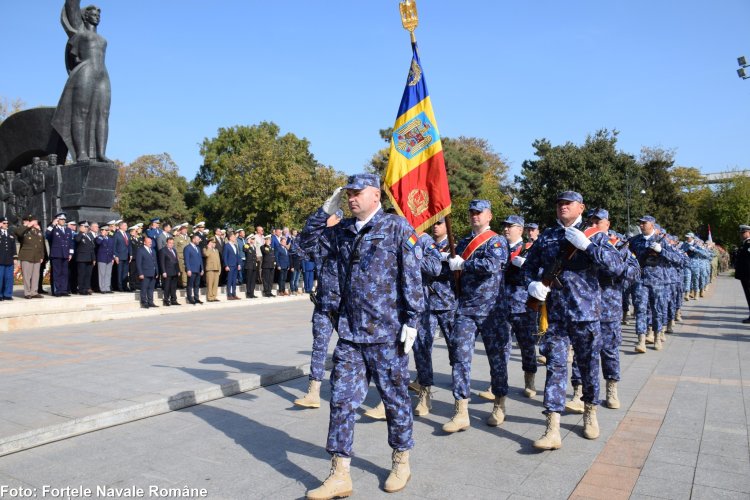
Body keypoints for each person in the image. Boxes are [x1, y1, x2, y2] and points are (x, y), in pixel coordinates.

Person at [300, 174, 424, 498]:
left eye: (357, 193)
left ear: (375, 195)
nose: (351, 198)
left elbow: (412, 274)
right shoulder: (341, 232)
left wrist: (412, 320)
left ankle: (401, 460)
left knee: (395, 401)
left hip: (387, 336)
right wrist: (321, 212)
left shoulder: (396, 227)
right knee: (341, 402)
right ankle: (340, 473)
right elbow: (305, 244)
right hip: (352, 336)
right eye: (348, 194)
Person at [523, 192, 623, 450]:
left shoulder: (595, 236)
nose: (563, 206)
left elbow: (616, 267)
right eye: (559, 203)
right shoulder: (547, 236)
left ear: (581, 207)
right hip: (556, 316)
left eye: (569, 203)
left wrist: (588, 247)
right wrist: (531, 284)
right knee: (556, 367)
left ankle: (590, 410)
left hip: (586, 315)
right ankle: (552, 427)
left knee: (589, 366)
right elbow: (528, 267)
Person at [440, 200, 510, 433]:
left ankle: (499, 403)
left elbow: (494, 264)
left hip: (492, 311)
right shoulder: (461, 242)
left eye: (479, 213)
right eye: (471, 213)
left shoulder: (497, 240)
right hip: (466, 309)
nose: (474, 216)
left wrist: (464, 263)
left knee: (496, 358)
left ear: (489, 215)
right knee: (460, 356)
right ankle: (461, 411)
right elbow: (453, 268)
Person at [566, 212, 640, 413]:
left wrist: (616, 277)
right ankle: (578, 392)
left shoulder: (619, 244)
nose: (594, 224)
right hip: (584, 306)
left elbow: (634, 271)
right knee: (583, 350)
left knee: (609, 349)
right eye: (591, 221)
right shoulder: (577, 240)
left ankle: (611, 388)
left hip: (609, 306)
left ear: (608, 223)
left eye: (598, 221)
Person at [52, 0, 111, 163]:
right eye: (93, 13)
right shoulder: (80, 31)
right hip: (85, 71)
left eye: (99, 14)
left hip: (102, 74)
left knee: (103, 114)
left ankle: (100, 153)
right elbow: (71, 5)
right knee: (81, 113)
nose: (97, 16)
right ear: (85, 16)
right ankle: (82, 153)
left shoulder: (101, 38)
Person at [294, 212, 343, 409]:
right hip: (323, 304)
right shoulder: (319, 241)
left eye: (332, 219)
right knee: (319, 347)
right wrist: (319, 227)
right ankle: (313, 391)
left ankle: (346, 387)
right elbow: (298, 246)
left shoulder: (346, 239)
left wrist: (331, 230)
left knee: (350, 348)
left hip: (344, 306)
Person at [629, 216, 682, 352]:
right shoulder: (634, 241)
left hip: (658, 281)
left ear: (652, 224)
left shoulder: (662, 241)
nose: (641, 225)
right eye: (640, 223)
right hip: (640, 280)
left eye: (644, 223)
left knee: (657, 310)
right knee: (640, 309)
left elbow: (679, 260)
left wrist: (661, 251)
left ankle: (657, 337)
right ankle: (641, 340)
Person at [502, 215, 539, 398]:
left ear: (521, 229)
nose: (506, 229)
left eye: (511, 226)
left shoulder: (530, 249)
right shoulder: (499, 247)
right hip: (502, 305)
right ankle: (499, 381)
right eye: (505, 226)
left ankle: (529, 380)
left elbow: (540, 273)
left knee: (526, 344)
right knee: (501, 345)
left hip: (523, 305)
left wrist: (526, 265)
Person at [15, 214, 45, 299]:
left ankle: (34, 292)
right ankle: (27, 293)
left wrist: (42, 256)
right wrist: (27, 226)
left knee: (36, 275)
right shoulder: (25, 230)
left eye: (36, 221)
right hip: (26, 256)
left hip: (37, 256)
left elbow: (41, 245)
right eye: (34, 221)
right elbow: (18, 232)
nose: (36, 222)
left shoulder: (38, 231)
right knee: (27, 275)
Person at [46, 213, 74, 296]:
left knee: (64, 273)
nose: (63, 221)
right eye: (61, 219)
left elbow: (70, 242)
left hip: (65, 254)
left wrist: (70, 253)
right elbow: (47, 234)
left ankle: (63, 290)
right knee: (57, 273)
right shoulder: (53, 229)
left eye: (64, 219)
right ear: (57, 220)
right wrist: (52, 224)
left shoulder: (68, 230)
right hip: (56, 254)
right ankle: (57, 290)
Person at [74, 221, 96, 295]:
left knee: (88, 275)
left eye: (87, 227)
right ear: (80, 227)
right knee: (81, 274)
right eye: (85, 227)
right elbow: (77, 240)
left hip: (89, 258)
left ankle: (87, 288)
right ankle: (81, 289)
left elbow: (92, 248)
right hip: (82, 258)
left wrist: (93, 258)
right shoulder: (78, 235)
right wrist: (81, 232)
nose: (86, 228)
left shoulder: (89, 236)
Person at [136, 235, 158, 308]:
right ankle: (144, 302)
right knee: (144, 288)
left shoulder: (153, 250)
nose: (150, 243)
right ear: (144, 243)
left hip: (153, 272)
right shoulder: (140, 250)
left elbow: (155, 262)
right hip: (145, 273)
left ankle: (151, 302)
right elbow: (138, 263)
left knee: (151, 289)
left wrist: (157, 272)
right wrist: (140, 273)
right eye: (149, 242)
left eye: (151, 242)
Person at [158, 236, 180, 306]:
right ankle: (166, 300)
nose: (171, 244)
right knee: (167, 287)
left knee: (173, 287)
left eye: (172, 243)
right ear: (166, 243)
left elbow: (176, 261)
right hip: (167, 271)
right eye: (170, 243)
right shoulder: (163, 250)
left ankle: (174, 300)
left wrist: (178, 270)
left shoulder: (174, 250)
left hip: (175, 271)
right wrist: (163, 271)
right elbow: (162, 262)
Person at [735, 224, 750, 324]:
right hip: (745, 275)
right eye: (741, 233)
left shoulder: (748, 244)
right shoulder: (744, 244)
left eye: (743, 232)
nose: (742, 235)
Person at [183, 233, 204, 305]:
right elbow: (187, 260)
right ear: (193, 239)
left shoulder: (198, 248)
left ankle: (196, 298)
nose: (199, 241)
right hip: (191, 270)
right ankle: (190, 298)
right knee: (190, 285)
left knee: (197, 285)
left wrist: (202, 269)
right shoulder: (187, 248)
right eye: (198, 239)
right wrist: (188, 269)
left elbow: (200, 259)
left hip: (198, 269)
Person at [0, 217, 16, 300]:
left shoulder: (10, 234)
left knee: (9, 278)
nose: (6, 225)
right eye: (4, 223)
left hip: (9, 260)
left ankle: (7, 294)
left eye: (7, 223)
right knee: (0, 278)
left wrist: (15, 258)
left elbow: (13, 247)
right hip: (0, 260)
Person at [222, 231, 242, 300]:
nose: (235, 238)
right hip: (230, 265)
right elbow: (225, 256)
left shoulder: (235, 246)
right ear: (230, 238)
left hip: (235, 265)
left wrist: (239, 264)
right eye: (233, 237)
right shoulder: (227, 245)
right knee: (229, 280)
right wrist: (226, 265)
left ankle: (234, 294)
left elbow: (237, 256)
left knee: (234, 280)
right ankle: (229, 295)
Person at [96, 226, 115, 293]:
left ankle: (107, 288)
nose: (107, 231)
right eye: (105, 230)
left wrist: (113, 258)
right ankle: (102, 288)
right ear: (101, 230)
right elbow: (98, 242)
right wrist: (102, 235)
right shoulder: (99, 237)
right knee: (102, 274)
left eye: (107, 230)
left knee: (108, 274)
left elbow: (112, 249)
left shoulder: (110, 239)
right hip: (102, 258)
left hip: (109, 258)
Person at [113, 220, 130, 291]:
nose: (126, 227)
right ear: (121, 226)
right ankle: (120, 287)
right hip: (119, 256)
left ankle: (125, 286)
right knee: (119, 272)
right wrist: (115, 256)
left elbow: (129, 246)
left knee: (125, 273)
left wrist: (131, 254)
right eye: (125, 225)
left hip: (126, 256)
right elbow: (114, 246)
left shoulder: (127, 234)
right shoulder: (116, 234)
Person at [203, 237, 221, 302]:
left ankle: (214, 296)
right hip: (210, 269)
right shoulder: (205, 249)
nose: (214, 244)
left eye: (215, 243)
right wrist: (209, 247)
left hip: (216, 268)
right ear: (209, 243)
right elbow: (206, 254)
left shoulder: (216, 250)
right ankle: (210, 297)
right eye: (212, 242)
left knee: (215, 284)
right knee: (210, 284)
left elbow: (218, 260)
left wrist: (219, 269)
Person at [174, 223, 190, 288]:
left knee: (187, 269)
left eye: (186, 229)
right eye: (183, 229)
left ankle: (186, 282)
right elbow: (175, 248)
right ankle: (183, 283)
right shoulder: (177, 238)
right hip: (181, 257)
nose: (185, 231)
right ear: (180, 230)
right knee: (182, 270)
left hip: (188, 257)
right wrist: (176, 256)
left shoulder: (188, 238)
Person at [128, 224, 143, 291]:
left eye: (136, 231)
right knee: (132, 272)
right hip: (133, 258)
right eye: (135, 231)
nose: (136, 232)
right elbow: (130, 248)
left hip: (139, 258)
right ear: (131, 232)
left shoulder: (139, 238)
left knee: (138, 272)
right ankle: (132, 286)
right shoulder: (130, 239)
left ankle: (138, 285)